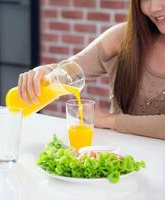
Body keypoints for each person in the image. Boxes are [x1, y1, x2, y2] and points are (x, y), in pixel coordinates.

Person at [17, 0, 165, 140]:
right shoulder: (123, 38)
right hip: (119, 157)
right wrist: (46, 73)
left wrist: (109, 120)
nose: (153, 7)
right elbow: (74, 69)